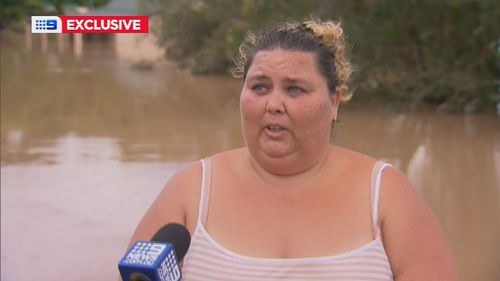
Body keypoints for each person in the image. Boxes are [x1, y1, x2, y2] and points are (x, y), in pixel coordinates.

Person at [128, 18, 457, 280]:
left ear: (333, 102)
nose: (273, 104)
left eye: (295, 89)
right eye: (260, 87)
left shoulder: (387, 194)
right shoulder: (190, 190)